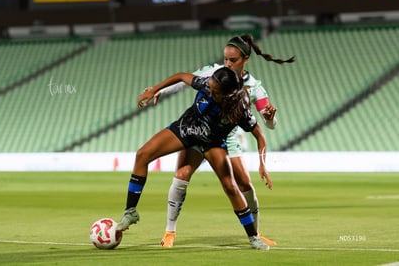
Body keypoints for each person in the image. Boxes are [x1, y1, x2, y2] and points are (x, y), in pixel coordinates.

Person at [153, 34, 295, 248]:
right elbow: (185, 80)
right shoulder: (214, 73)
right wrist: (160, 90)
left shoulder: (254, 87)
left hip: (228, 138)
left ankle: (255, 233)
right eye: (226, 59)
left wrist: (270, 118)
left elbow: (267, 126)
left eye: (233, 60)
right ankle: (169, 232)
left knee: (243, 184)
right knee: (181, 175)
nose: (228, 64)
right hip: (198, 130)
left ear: (245, 59)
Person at [117, 67, 270, 250]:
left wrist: (262, 164)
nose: (209, 91)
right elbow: (181, 76)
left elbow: (260, 136)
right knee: (142, 154)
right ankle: (131, 211)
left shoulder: (240, 109)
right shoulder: (206, 84)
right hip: (187, 128)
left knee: (230, 187)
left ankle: (253, 237)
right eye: (210, 87)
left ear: (228, 95)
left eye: (215, 91)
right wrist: (154, 89)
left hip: (212, 143)